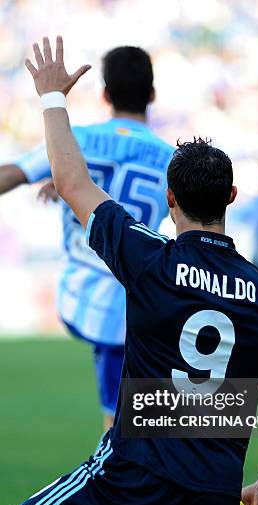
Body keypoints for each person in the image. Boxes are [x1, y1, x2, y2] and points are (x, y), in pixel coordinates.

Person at [0, 38, 258, 505]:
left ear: (170, 198)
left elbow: (74, 185)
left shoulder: (152, 262)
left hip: (133, 474)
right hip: (212, 493)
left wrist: (51, 98)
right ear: (233, 198)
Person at [0, 45, 173, 434]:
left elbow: (11, 174)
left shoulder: (76, 140)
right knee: (129, 428)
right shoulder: (169, 158)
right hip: (129, 303)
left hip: (80, 292)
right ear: (152, 94)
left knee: (128, 424)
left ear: (105, 94)